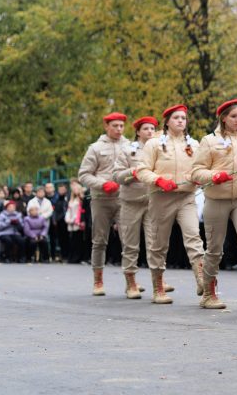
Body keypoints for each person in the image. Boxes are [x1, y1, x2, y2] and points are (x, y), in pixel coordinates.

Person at [191, 98, 237, 309]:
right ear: (223, 118)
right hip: (216, 200)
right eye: (234, 116)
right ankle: (209, 293)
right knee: (214, 249)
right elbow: (196, 172)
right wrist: (215, 175)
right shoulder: (209, 141)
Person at [135, 105, 206, 304]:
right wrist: (158, 180)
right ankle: (158, 287)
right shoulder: (154, 144)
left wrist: (198, 177)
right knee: (159, 244)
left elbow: (200, 168)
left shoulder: (194, 144)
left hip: (186, 197)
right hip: (161, 198)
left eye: (183, 118)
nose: (181, 121)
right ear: (167, 121)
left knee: (194, 237)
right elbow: (142, 170)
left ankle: (203, 281)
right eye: (176, 118)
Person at [78, 112, 131, 296]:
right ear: (106, 127)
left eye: (121, 126)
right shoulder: (95, 148)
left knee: (129, 240)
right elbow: (83, 174)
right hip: (101, 199)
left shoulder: (129, 146)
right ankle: (98, 281)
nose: (118, 129)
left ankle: (130, 281)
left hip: (124, 198)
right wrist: (102, 184)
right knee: (100, 241)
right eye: (115, 126)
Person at [114, 116, 162, 298]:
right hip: (130, 202)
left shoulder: (160, 149)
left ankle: (158, 282)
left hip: (153, 202)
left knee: (155, 243)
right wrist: (133, 172)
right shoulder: (127, 150)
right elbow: (117, 176)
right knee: (130, 244)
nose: (150, 131)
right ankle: (131, 282)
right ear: (138, 132)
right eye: (146, 129)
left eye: (152, 128)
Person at [65, 182, 88, 264]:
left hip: (78, 222)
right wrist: (68, 219)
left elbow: (82, 211)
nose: (75, 190)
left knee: (79, 240)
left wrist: (79, 220)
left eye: (77, 189)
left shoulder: (82, 199)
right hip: (71, 222)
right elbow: (69, 210)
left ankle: (79, 257)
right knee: (73, 240)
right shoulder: (72, 199)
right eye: (74, 189)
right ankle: (72, 257)